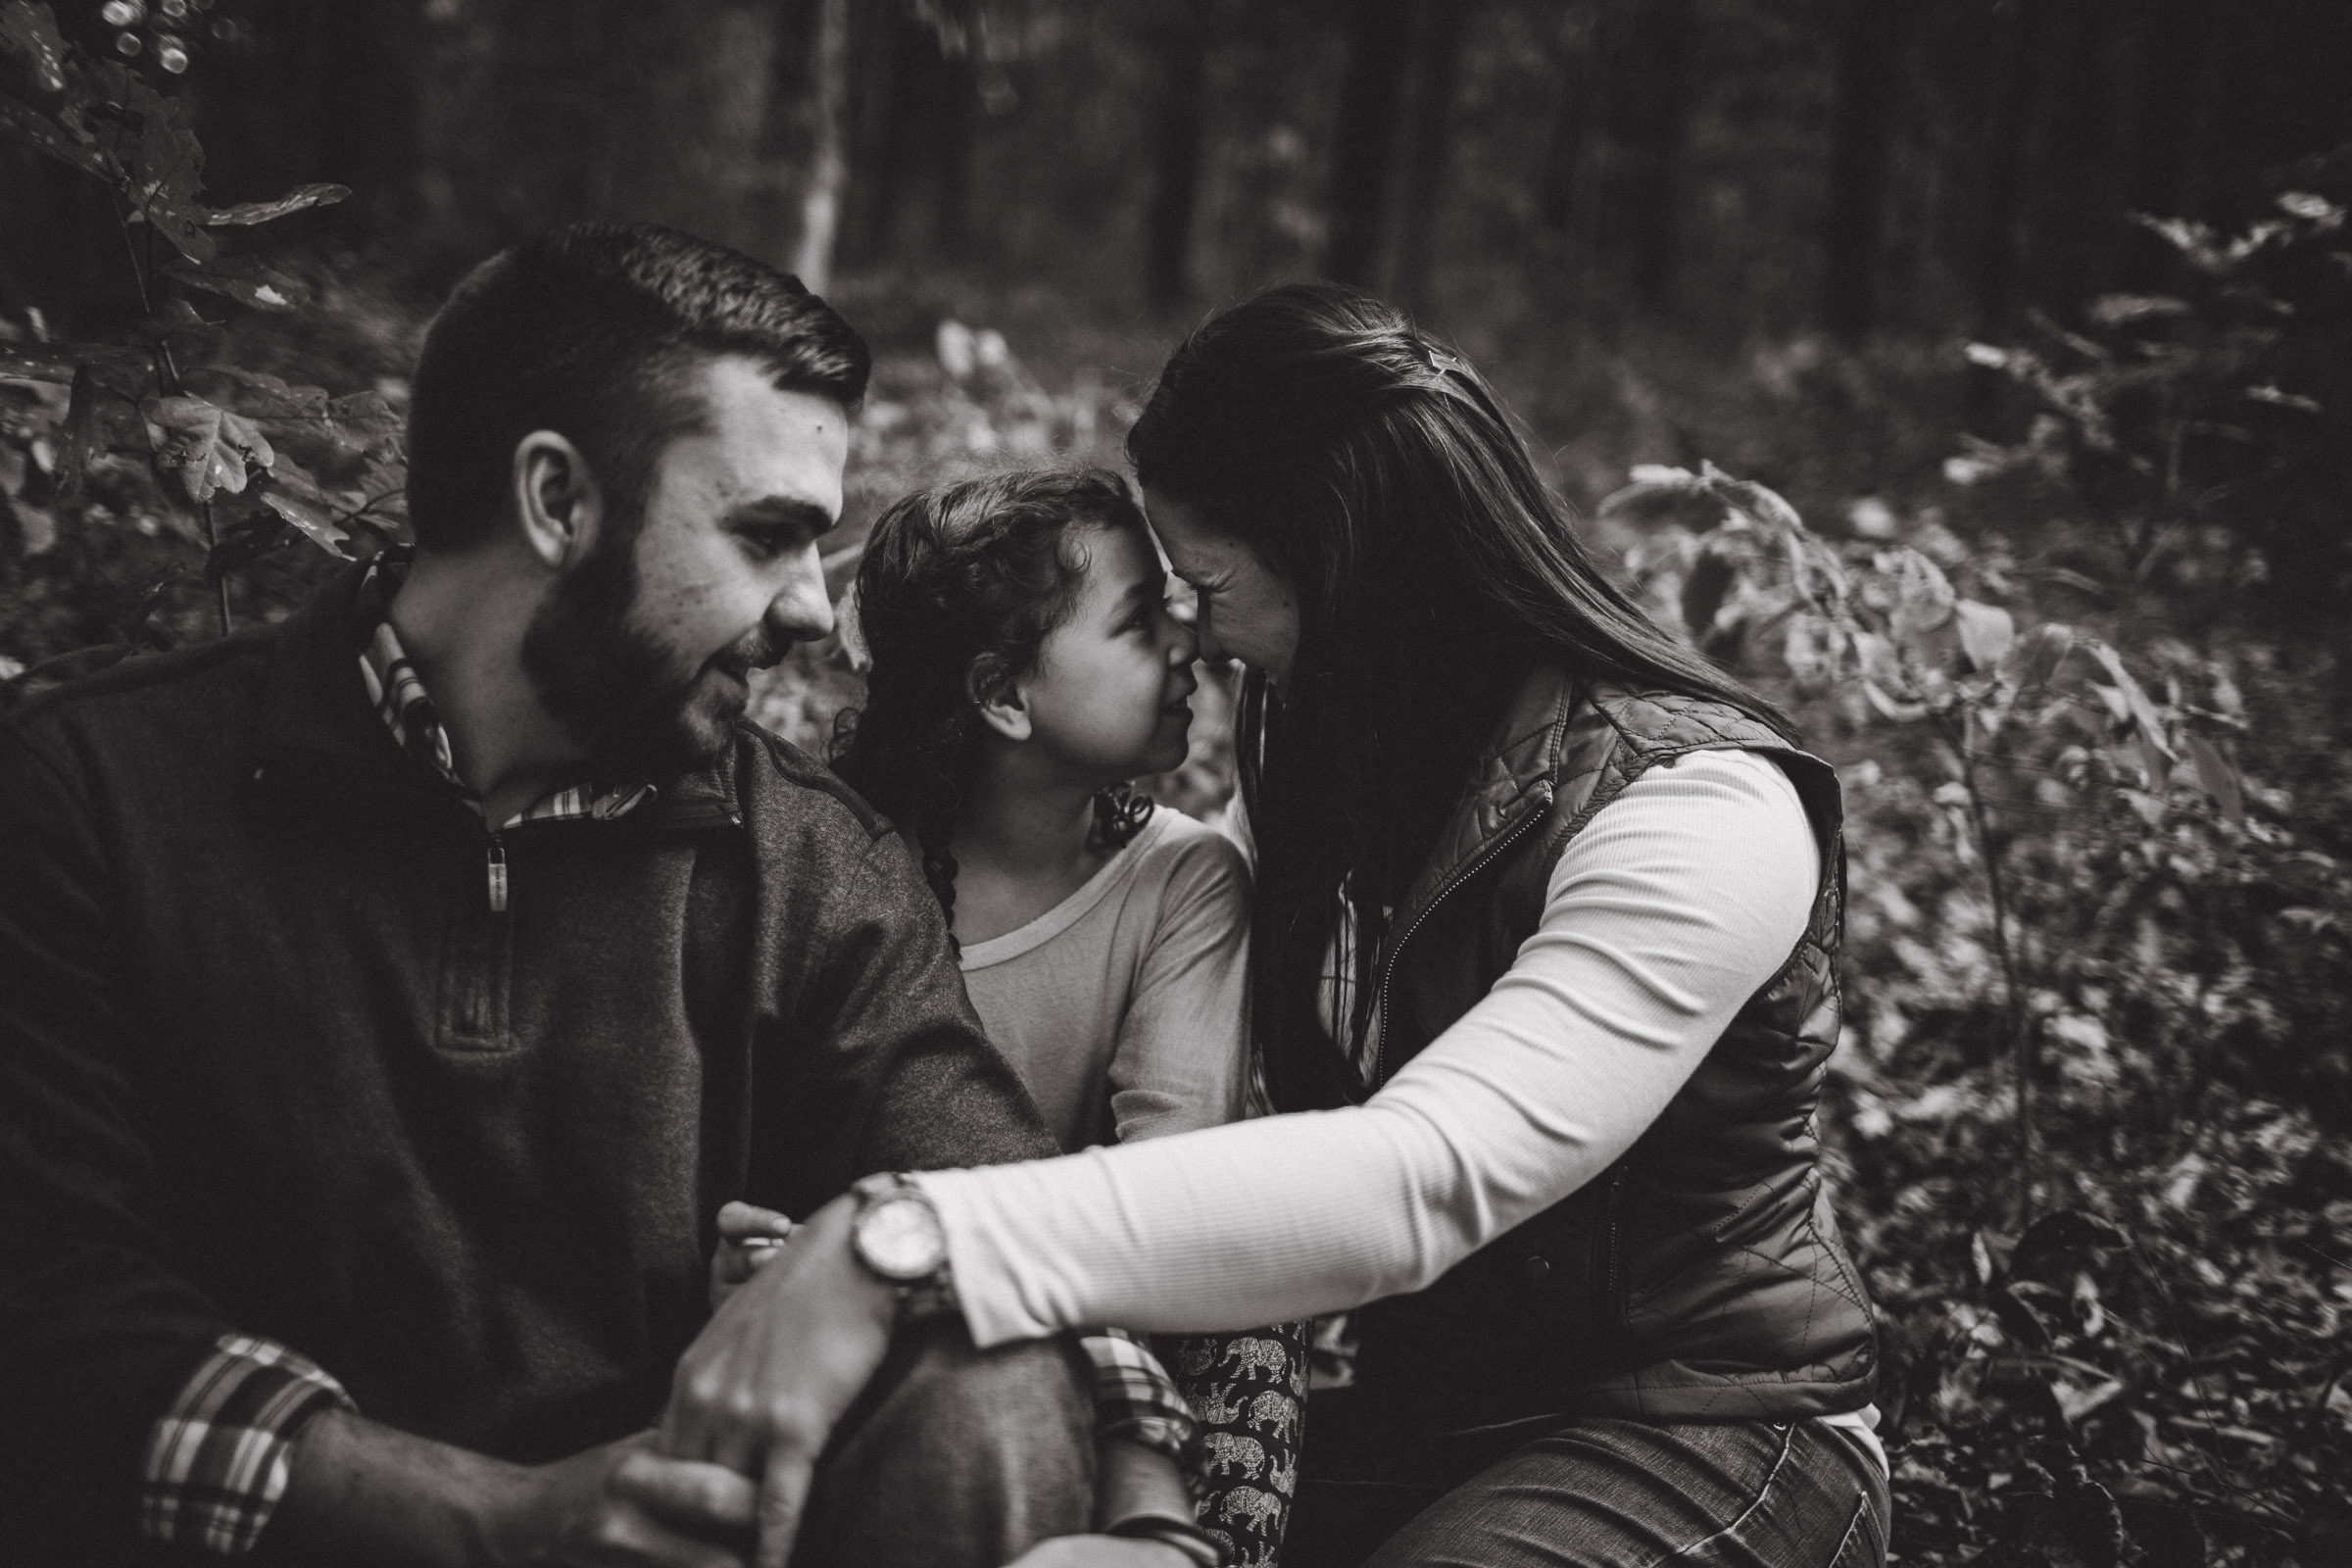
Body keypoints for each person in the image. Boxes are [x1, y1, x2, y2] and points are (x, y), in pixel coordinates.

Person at [0, 223, 1194, 1568]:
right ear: (559, 502)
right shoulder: (93, 795)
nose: (812, 611)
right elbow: (48, 1311)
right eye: (767, 537)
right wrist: (490, 1523)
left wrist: (1151, 1522)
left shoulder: (811, 861)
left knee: (987, 1378)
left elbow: (1004, 1210)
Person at [657, 281, 1890, 1568]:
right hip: (1424, 1417)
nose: (1198, 630)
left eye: (1203, 580)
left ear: (1337, 554)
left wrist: (905, 1242)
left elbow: (1424, 1178)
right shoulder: (1340, 756)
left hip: (1703, 1425)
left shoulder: (1698, 811)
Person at [713, 468, 1307, 1565]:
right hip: (839, 1313)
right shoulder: (836, 864)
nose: (1190, 646)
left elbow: (1174, 1185)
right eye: (1138, 624)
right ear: (1002, 693)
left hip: (1107, 1315)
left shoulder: (1181, 883)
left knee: (1257, 1320)